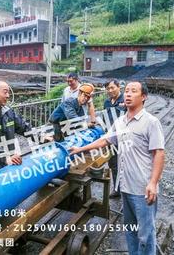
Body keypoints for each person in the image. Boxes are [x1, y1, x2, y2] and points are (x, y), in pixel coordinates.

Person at [69, 81, 165, 255]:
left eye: (133, 91)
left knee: (146, 234)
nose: (128, 94)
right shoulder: (120, 122)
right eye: (127, 91)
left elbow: (159, 153)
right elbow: (105, 140)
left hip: (143, 188)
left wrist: (153, 182)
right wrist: (80, 149)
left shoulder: (151, 122)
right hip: (125, 187)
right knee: (130, 229)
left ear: (143, 97)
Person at [104, 79, 126, 198]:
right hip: (111, 138)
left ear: (119, 87)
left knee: (126, 163)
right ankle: (117, 189)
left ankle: (128, 189)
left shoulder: (125, 100)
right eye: (108, 88)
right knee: (113, 164)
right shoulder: (107, 102)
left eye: (112, 87)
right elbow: (105, 118)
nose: (110, 90)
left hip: (124, 138)